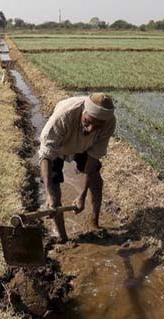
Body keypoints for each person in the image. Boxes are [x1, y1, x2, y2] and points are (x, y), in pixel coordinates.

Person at [39, 93, 116, 242]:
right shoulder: (64, 115)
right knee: (54, 192)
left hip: (85, 146)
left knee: (96, 181)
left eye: (97, 125)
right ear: (83, 111)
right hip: (60, 145)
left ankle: (94, 223)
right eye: (88, 121)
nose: (91, 128)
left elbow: (92, 162)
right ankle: (63, 237)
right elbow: (46, 156)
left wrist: (82, 194)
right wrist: (49, 194)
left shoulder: (109, 123)